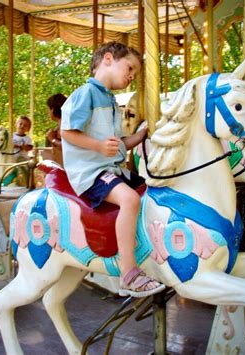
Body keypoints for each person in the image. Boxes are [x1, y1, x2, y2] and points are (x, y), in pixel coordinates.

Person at [60, 42, 165, 298]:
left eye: (135, 74)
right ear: (108, 59)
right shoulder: (87, 93)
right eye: (130, 68)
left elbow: (119, 145)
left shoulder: (108, 99)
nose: (131, 76)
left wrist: (142, 135)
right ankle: (128, 272)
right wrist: (97, 145)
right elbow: (66, 131)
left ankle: (149, 252)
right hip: (91, 171)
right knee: (129, 199)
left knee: (152, 190)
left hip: (110, 168)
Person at [44, 93, 67, 166]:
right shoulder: (59, 126)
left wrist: (53, 139)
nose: (47, 112)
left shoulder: (66, 126)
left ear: (52, 109)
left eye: (48, 109)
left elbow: (68, 147)